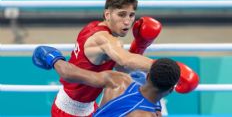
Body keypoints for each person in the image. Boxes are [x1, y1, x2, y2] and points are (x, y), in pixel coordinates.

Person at [43, 0, 163, 117]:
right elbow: (125, 60)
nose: (127, 21)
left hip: (88, 107)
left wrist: (140, 45)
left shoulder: (96, 29)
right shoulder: (103, 39)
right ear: (107, 15)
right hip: (69, 112)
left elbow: (122, 68)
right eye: (121, 14)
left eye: (131, 15)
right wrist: (168, 68)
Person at [33, 46, 199, 116]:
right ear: (171, 90)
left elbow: (72, 74)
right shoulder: (145, 114)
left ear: (148, 76)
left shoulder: (118, 80)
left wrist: (53, 59)